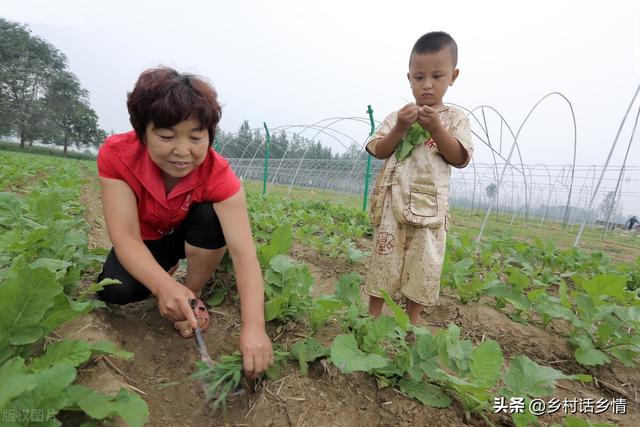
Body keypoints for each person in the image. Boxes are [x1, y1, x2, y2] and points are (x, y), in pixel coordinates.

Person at [96, 67, 273, 378]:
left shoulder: (219, 175)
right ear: (143, 133)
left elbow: (245, 254)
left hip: (192, 233)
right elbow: (125, 238)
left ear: (209, 135)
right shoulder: (117, 155)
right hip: (146, 240)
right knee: (116, 290)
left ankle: (190, 296)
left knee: (210, 216)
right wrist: (162, 285)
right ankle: (167, 279)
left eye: (195, 137)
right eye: (166, 136)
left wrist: (254, 328)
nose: (182, 151)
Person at [364, 31, 473, 325]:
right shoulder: (398, 116)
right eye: (418, 77)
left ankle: (412, 323)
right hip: (392, 206)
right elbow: (378, 149)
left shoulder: (456, 119)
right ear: (409, 78)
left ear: (453, 76)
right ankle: (372, 319)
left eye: (437, 76)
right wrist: (400, 127)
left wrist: (438, 129)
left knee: (423, 264)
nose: (427, 85)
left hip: (430, 210)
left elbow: (459, 157)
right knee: (384, 261)